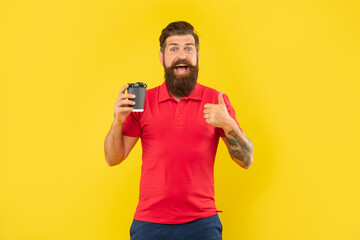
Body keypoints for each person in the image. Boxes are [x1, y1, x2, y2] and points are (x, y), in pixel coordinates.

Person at [104, 21, 254, 240]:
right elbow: (112, 158)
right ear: (162, 57)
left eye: (188, 48)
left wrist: (228, 123)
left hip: (202, 223)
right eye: (173, 48)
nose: (181, 55)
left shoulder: (217, 100)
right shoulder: (144, 102)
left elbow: (247, 160)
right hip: (149, 223)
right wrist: (117, 121)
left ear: (197, 56)